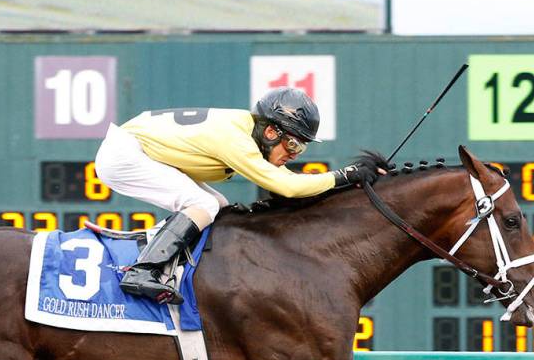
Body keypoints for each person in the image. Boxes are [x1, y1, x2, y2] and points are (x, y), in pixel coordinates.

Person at [93, 87, 386, 305]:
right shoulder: (236, 138)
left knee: (218, 206)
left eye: (301, 149)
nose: (293, 154)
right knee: (203, 204)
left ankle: (173, 266)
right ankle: (143, 271)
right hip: (124, 155)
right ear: (271, 132)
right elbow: (288, 187)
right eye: (293, 145)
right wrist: (345, 176)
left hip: (135, 148)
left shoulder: (242, 129)